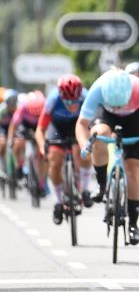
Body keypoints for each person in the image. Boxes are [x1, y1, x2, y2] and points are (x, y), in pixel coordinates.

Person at [75, 70, 139, 245]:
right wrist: (85, 145)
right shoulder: (98, 88)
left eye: (121, 104)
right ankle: (102, 185)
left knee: (134, 169)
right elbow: (82, 124)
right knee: (99, 135)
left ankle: (134, 224)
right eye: (114, 105)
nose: (118, 108)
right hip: (107, 117)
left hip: (134, 118)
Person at [35, 75, 93, 224]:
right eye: (68, 101)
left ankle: (85, 190)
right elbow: (40, 129)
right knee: (54, 161)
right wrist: (43, 148)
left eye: (75, 101)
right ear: (61, 96)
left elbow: (90, 124)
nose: (72, 105)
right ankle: (58, 201)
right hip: (57, 128)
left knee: (82, 150)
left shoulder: (86, 97)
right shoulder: (53, 99)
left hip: (77, 126)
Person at [8, 91, 47, 194]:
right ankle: (20, 166)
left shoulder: (46, 106)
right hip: (25, 127)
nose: (35, 115)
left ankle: (42, 183)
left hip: (40, 127)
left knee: (42, 153)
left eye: (37, 113)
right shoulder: (22, 108)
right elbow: (13, 126)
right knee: (18, 143)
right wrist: (10, 140)